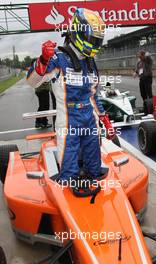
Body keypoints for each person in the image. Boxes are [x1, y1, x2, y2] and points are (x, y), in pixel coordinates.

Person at [27, 8, 116, 182]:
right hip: (68, 119)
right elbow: (32, 81)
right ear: (78, 31)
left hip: (90, 118)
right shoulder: (58, 57)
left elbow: (93, 94)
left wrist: (104, 118)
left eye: (97, 40)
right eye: (92, 39)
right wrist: (43, 60)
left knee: (94, 167)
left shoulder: (90, 62)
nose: (95, 43)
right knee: (69, 171)